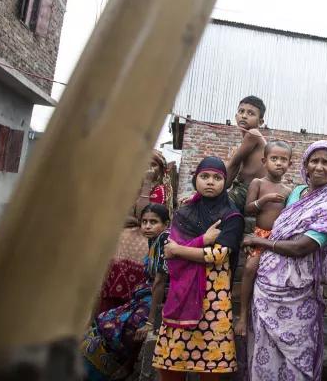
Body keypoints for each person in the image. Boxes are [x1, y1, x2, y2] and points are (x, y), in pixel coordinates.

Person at [243, 140, 327, 380]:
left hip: (299, 291)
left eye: (326, 162)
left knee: (299, 357)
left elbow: (301, 247)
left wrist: (261, 243)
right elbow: (275, 224)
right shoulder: (296, 193)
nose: (319, 167)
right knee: (264, 350)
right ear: (305, 166)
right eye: (314, 161)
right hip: (266, 286)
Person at [152, 156, 244, 380]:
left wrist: (180, 251)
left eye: (217, 177)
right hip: (182, 293)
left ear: (225, 182)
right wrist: (204, 239)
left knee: (212, 363)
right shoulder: (184, 214)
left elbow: (219, 255)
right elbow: (168, 252)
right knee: (172, 361)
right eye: (204, 176)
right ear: (196, 180)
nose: (210, 182)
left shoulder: (231, 216)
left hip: (214, 297)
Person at [81, 204, 170, 380]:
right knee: (105, 319)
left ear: (166, 224)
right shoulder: (153, 241)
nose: (147, 226)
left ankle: (117, 367)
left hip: (162, 296)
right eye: (144, 221)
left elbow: (159, 283)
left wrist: (150, 322)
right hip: (146, 293)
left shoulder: (164, 242)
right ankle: (100, 368)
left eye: (153, 222)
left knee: (123, 326)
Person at [99, 151, 169, 314]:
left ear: (161, 170)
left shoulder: (159, 190)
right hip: (119, 249)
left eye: (154, 165)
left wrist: (147, 183)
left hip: (141, 248)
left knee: (132, 295)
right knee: (109, 295)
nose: (149, 169)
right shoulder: (128, 189)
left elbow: (142, 215)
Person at [235, 139, 293, 337]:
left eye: (283, 160)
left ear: (290, 164)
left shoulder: (288, 191)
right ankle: (242, 315)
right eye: (274, 158)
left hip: (279, 239)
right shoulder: (258, 183)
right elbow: (247, 208)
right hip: (260, 234)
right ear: (264, 160)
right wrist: (265, 199)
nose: (279, 163)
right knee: (250, 268)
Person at [225, 96, 268, 210]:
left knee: (217, 207)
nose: (244, 116)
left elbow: (233, 165)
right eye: (241, 111)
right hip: (244, 189)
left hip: (248, 190)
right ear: (236, 116)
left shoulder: (253, 134)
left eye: (250, 113)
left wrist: (220, 190)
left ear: (260, 122)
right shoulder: (246, 140)